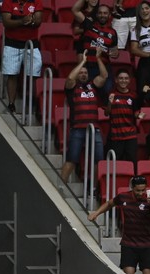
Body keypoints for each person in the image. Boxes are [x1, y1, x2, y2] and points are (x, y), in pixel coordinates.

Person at [89, 175, 150, 274]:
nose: (141, 193)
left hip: (146, 245)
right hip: (129, 244)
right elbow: (109, 204)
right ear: (132, 188)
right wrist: (96, 213)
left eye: (143, 190)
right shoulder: (123, 197)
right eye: (138, 190)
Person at [60, 51, 107, 184]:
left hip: (94, 129)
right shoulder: (72, 87)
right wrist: (82, 62)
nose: (83, 74)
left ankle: (94, 188)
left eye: (85, 72)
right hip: (77, 129)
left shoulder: (93, 86)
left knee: (98, 160)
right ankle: (61, 187)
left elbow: (104, 76)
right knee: (72, 159)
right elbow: (69, 79)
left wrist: (98, 59)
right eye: (81, 72)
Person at [0, 1, 44, 115]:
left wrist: (30, 21)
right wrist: (21, 21)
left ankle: (34, 104)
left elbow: (38, 20)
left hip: (32, 44)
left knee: (34, 76)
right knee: (12, 74)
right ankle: (11, 104)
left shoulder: (36, 1)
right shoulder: (8, 2)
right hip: (12, 43)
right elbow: (6, 22)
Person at [105, 70, 145, 162]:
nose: (123, 80)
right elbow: (107, 113)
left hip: (130, 136)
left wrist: (139, 115)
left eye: (126, 78)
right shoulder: (111, 94)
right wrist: (110, 103)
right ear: (116, 80)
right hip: (115, 136)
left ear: (129, 80)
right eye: (121, 78)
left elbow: (135, 113)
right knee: (115, 163)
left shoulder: (134, 95)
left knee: (131, 162)